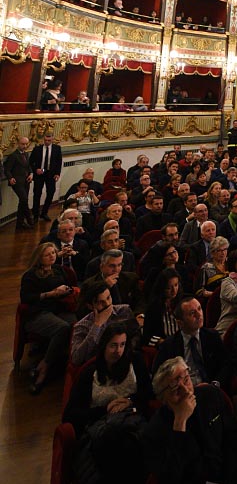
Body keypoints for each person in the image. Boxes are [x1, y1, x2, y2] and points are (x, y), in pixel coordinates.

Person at [64, 323, 152, 484]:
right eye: (113, 345)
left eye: (123, 345)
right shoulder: (89, 371)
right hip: (100, 436)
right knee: (122, 461)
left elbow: (147, 394)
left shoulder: (135, 362)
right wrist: (105, 410)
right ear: (103, 346)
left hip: (132, 432)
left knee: (123, 468)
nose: (118, 351)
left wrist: (130, 402)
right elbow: (71, 415)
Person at [20, 242, 77, 394]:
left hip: (58, 309)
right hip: (38, 312)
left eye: (53, 253)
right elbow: (26, 298)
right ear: (39, 258)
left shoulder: (59, 270)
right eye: (47, 254)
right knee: (62, 328)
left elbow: (71, 286)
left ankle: (62, 365)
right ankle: (44, 367)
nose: (52, 256)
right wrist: (51, 294)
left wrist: (66, 290)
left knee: (76, 325)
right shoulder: (30, 275)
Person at [152, 295, 227, 385]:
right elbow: (158, 376)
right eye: (192, 313)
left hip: (210, 388)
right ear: (180, 323)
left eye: (199, 309)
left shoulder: (212, 336)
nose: (199, 315)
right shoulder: (169, 345)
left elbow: (226, 365)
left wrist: (215, 383)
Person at [70, 278, 137, 366]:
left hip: (126, 359)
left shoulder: (124, 311)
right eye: (101, 302)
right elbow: (76, 359)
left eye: (108, 298)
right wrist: (97, 325)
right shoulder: (82, 326)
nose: (107, 304)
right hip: (99, 366)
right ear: (90, 306)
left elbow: (136, 336)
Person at [29, 133, 63, 222]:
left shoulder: (57, 149)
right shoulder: (37, 149)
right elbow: (31, 162)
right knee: (37, 194)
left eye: (49, 140)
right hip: (39, 174)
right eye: (45, 140)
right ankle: (35, 214)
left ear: (52, 139)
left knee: (51, 192)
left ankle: (44, 212)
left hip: (50, 174)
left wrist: (57, 174)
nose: (47, 142)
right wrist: (36, 169)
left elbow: (59, 162)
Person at [143, 267, 182, 344]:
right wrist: (162, 342)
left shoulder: (183, 302)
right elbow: (147, 336)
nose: (174, 290)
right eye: (168, 288)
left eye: (176, 285)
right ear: (162, 288)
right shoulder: (154, 307)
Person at [4, 135, 33, 230]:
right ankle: (30, 220)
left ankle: (19, 224)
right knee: (24, 200)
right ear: (18, 144)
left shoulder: (26, 154)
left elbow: (28, 166)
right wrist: (10, 178)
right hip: (17, 182)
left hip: (26, 181)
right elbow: (7, 169)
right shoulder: (13, 156)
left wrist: (31, 174)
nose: (24, 146)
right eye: (22, 144)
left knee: (22, 202)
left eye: (26, 144)